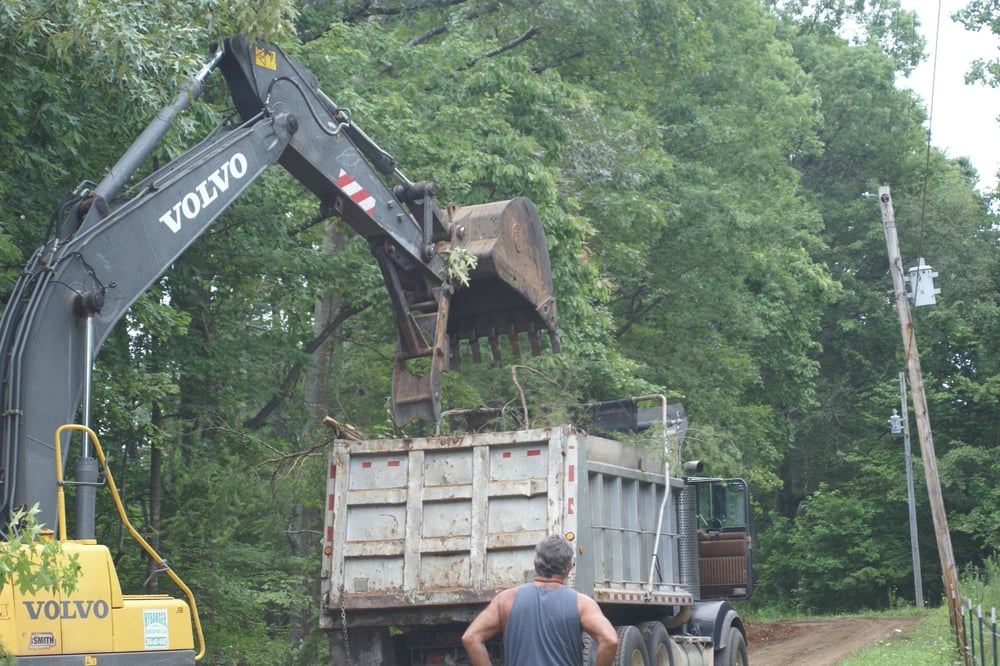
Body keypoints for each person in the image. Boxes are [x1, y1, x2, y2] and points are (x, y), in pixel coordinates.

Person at [461, 534, 619, 666]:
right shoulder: (582, 603)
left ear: (535, 564)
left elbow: (471, 637)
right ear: (569, 568)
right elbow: (610, 640)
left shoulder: (506, 600)